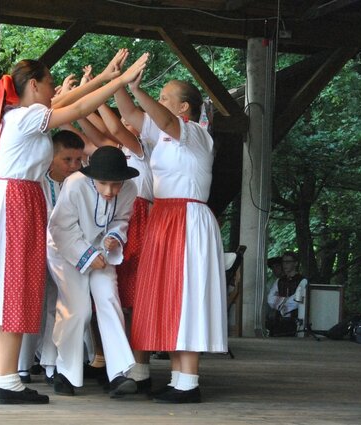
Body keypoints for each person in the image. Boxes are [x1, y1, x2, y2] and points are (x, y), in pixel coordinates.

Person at [0, 49, 149, 405]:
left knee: (8, 290)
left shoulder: (18, 114)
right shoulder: (28, 115)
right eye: (49, 85)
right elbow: (72, 110)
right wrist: (120, 81)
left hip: (11, 200)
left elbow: (68, 102)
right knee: (15, 289)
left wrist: (104, 78)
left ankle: (2, 375)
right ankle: (6, 379)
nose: (54, 90)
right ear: (34, 85)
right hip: (17, 202)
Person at [117, 77, 227, 404]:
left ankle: (189, 381)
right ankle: (180, 378)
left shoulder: (195, 134)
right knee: (170, 296)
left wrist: (137, 90)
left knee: (186, 295)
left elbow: (161, 118)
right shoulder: (163, 137)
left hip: (187, 218)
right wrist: (118, 82)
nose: (158, 101)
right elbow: (132, 114)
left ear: (184, 108)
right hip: (166, 217)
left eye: (165, 97)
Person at [48, 146, 138, 398]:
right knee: (78, 309)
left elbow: (122, 220)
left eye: (116, 184)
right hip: (66, 250)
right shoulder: (75, 184)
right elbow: (60, 227)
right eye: (104, 183)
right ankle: (65, 372)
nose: (110, 191)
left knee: (109, 300)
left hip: (102, 250)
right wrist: (86, 255)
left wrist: (113, 237)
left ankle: (119, 372)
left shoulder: (130, 189)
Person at [19, 129, 85, 385]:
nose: (74, 166)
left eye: (78, 160)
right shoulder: (39, 182)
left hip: (64, 253)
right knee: (31, 305)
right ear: (51, 157)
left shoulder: (79, 184)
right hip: (38, 248)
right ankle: (22, 363)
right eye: (67, 160)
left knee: (57, 306)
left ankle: (50, 362)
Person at [266, 252, 308, 337]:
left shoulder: (302, 280)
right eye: (283, 262)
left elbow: (297, 299)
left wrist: (281, 301)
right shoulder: (279, 281)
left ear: (295, 263)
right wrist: (285, 301)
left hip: (295, 320)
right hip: (279, 320)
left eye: (288, 262)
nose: (285, 265)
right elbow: (270, 298)